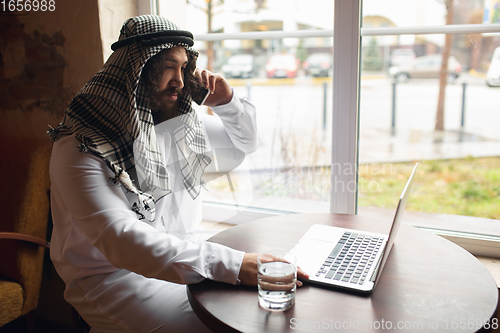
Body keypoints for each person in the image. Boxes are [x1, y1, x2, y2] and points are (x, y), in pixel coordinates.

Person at [47, 15, 307, 333]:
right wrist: (237, 265)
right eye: (168, 67)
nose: (180, 81)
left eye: (183, 68)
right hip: (113, 280)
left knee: (262, 312)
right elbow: (120, 239)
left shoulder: (176, 124)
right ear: (137, 70)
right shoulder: (80, 146)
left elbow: (242, 146)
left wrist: (227, 103)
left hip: (182, 252)